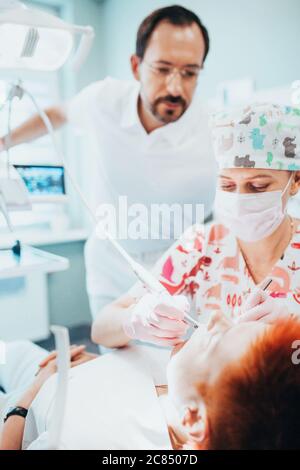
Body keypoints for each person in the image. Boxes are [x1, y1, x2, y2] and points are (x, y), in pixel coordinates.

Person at [0, 5, 216, 320]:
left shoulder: (215, 128)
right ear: (136, 66)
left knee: (175, 362)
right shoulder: (104, 101)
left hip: (183, 270)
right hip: (112, 265)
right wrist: (4, 142)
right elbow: (58, 114)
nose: (175, 87)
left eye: (189, 73)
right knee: (114, 357)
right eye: (162, 68)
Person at [91, 103, 300, 350]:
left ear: (295, 181)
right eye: (227, 185)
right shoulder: (201, 245)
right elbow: (100, 329)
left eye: (258, 187)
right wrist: (135, 320)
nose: (241, 199)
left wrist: (293, 328)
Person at [1, 312, 300, 450]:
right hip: (60, 370)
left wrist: (28, 396)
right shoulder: (184, 382)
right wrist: (89, 367)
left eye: (215, 340)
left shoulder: (87, 442)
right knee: (10, 349)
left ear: (194, 418)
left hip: (21, 409)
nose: (217, 317)